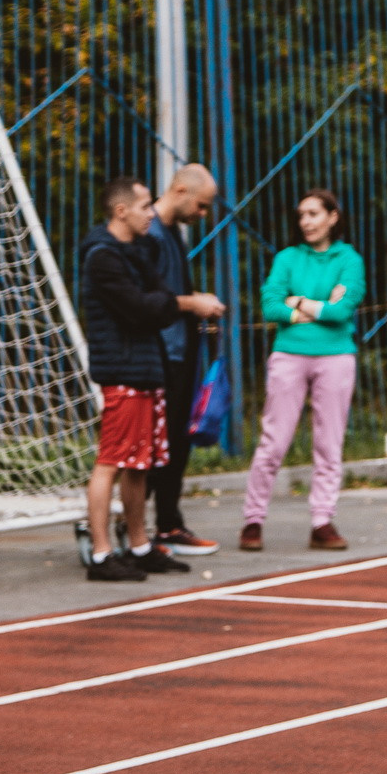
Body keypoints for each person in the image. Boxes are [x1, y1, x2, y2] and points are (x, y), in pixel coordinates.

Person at [79, 176, 225, 584]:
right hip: (122, 370)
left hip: (147, 368)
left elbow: (158, 298)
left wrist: (166, 304)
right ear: (121, 211)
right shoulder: (103, 257)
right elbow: (142, 308)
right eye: (145, 206)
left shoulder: (140, 249)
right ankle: (101, 553)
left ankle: (140, 546)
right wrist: (178, 305)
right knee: (111, 461)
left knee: (140, 463)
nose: (151, 213)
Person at [240, 187, 365, 553]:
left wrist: (296, 302)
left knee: (329, 443)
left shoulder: (349, 260)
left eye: (313, 214)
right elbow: (270, 305)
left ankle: (322, 521)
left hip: (336, 357)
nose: (306, 222)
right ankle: (253, 519)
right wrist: (311, 309)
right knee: (274, 441)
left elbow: (342, 312)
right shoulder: (287, 259)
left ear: (332, 217)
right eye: (301, 215)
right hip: (289, 355)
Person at [147, 162, 228, 556]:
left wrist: (196, 302)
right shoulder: (150, 234)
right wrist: (193, 304)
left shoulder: (172, 233)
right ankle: (134, 529)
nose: (203, 214)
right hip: (161, 356)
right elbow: (148, 300)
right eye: (201, 205)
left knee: (176, 444)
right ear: (180, 191)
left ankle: (168, 524)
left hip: (179, 354)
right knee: (152, 447)